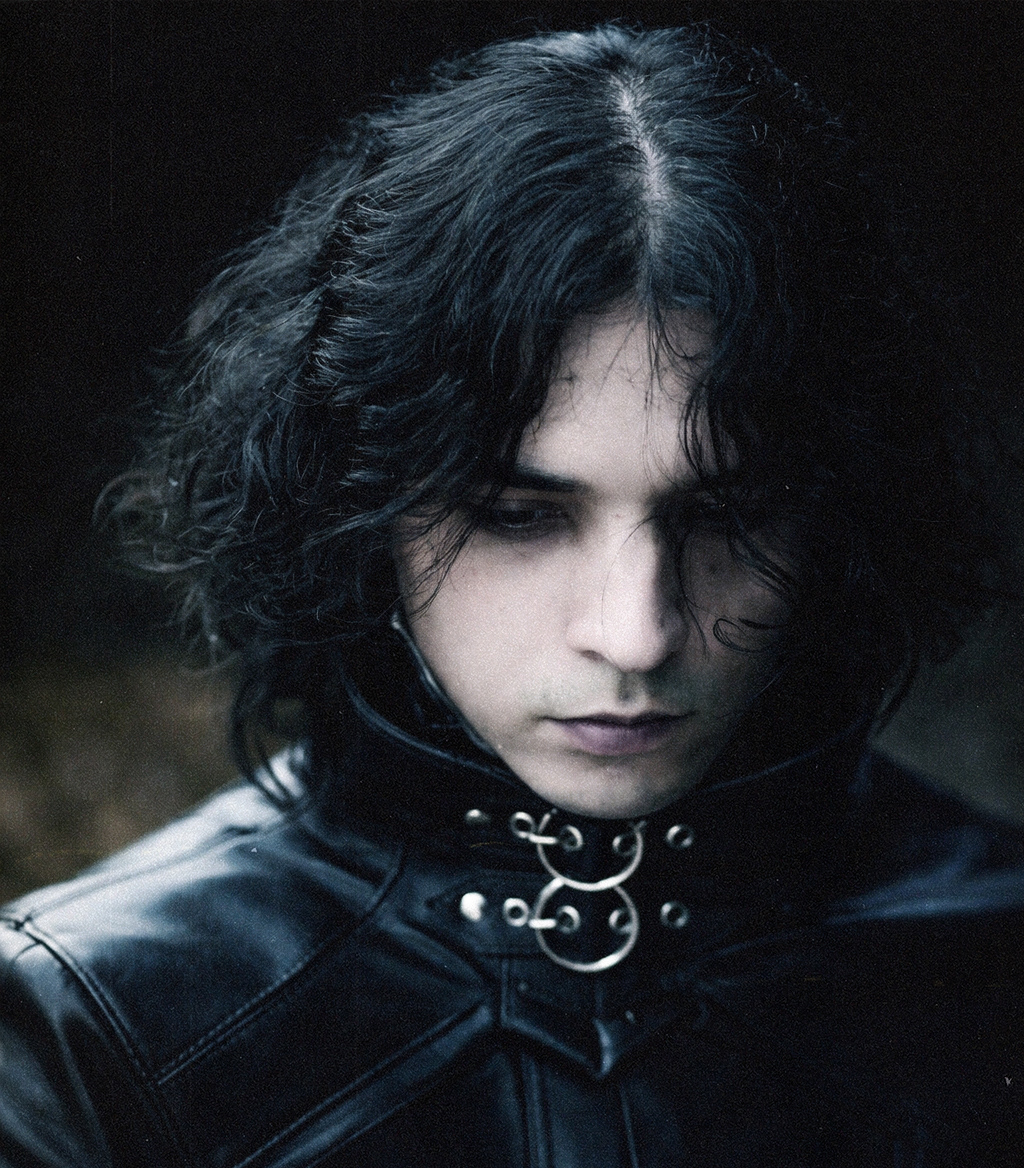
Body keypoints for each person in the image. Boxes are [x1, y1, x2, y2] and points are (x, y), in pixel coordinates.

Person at [1, 23, 1022, 1167]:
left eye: (726, 514)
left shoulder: (995, 956)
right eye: (519, 515)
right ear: (359, 502)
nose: (635, 632)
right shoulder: (90, 1027)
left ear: (839, 509)